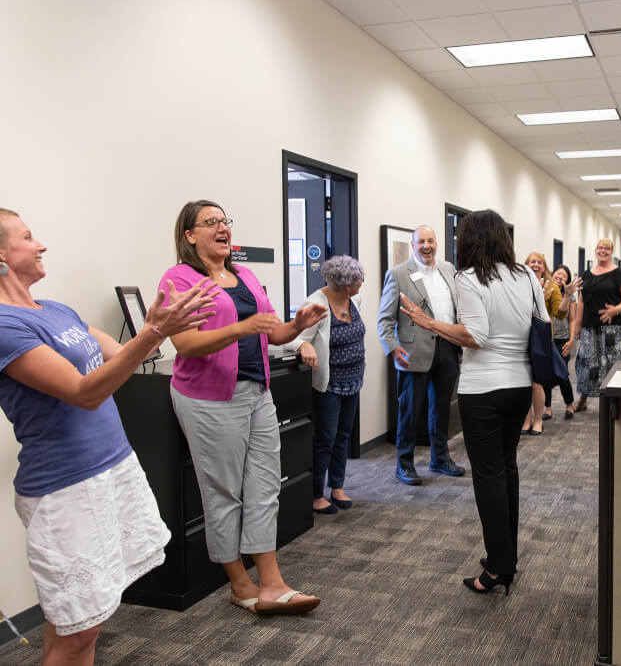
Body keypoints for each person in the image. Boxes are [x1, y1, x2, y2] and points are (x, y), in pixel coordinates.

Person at [0, 207, 215, 664]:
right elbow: (84, 392)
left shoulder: (56, 310)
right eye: (27, 237)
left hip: (111, 466)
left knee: (81, 620)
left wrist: (159, 330)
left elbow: (123, 359)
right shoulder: (4, 325)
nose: (40, 245)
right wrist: (157, 330)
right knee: (80, 625)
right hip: (66, 487)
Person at [159, 200, 326, 616]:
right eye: (211, 222)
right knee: (223, 492)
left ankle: (272, 583)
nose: (222, 227)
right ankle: (240, 584)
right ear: (189, 235)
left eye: (225, 220)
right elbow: (185, 344)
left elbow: (273, 333)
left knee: (265, 486)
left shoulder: (245, 275)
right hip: (208, 397)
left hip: (257, 392)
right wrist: (240, 328)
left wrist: (299, 325)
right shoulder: (178, 278)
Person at [399, 209, 543, 596]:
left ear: (470, 240)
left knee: (489, 476)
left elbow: (475, 335)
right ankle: (505, 555)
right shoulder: (526, 275)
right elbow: (541, 321)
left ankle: (497, 567)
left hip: (484, 390)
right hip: (519, 386)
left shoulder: (468, 278)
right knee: (507, 468)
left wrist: (429, 323)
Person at [376, 225, 465, 485]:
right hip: (412, 351)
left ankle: (440, 458)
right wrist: (392, 348)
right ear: (413, 245)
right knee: (409, 411)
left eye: (431, 241)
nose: (427, 246)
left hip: (447, 346)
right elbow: (384, 319)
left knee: (441, 409)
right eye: (421, 242)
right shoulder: (398, 274)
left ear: (437, 243)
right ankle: (404, 465)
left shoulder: (448, 269)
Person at [289, 255, 365, 515]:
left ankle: (337, 487)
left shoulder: (354, 300)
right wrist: (304, 344)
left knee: (344, 435)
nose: (362, 282)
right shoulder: (316, 304)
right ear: (345, 285)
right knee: (325, 438)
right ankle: (314, 494)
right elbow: (292, 337)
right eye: (358, 280)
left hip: (353, 380)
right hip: (329, 384)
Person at [572, 239, 621, 412]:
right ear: (595, 250)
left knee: (612, 364)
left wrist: (615, 310)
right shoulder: (587, 274)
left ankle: (613, 401)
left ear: (611, 251)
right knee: (587, 363)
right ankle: (583, 398)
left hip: (614, 326)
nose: (603, 250)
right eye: (600, 247)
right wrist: (577, 325)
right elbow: (581, 300)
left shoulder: (618, 273)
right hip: (590, 326)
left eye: (606, 248)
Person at [520, 251, 563, 435]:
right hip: (521, 337)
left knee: (537, 383)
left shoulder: (551, 286)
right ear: (526, 264)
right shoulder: (518, 284)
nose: (535, 265)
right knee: (523, 382)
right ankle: (526, 420)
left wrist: (562, 297)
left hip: (540, 339)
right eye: (532, 262)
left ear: (544, 267)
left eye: (539, 262)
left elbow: (560, 313)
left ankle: (538, 420)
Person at [544, 264, 581, 420]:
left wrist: (571, 340)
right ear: (553, 274)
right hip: (546, 338)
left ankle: (569, 405)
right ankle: (548, 408)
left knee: (562, 374)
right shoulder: (545, 290)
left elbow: (572, 320)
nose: (560, 277)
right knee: (544, 375)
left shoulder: (570, 297)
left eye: (564, 276)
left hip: (562, 340)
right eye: (558, 274)